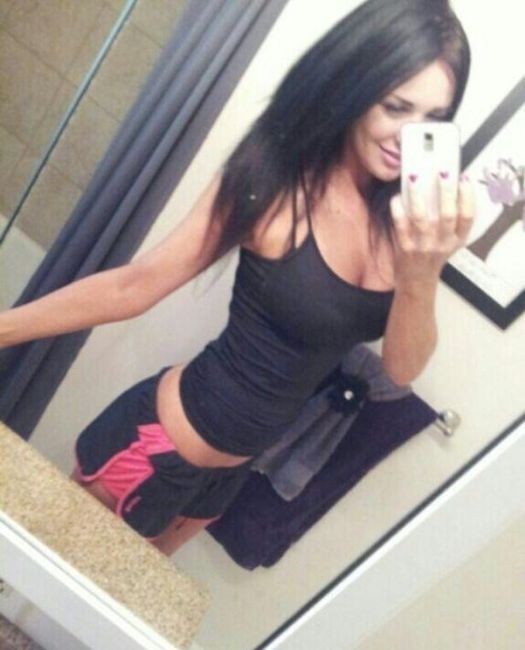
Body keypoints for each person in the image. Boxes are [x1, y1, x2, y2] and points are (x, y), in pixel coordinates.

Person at [0, 0, 474, 555]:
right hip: (157, 446)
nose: (408, 135)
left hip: (223, 483)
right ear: (354, 82)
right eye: (396, 106)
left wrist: (422, 273)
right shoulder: (277, 178)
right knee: (29, 589)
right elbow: (136, 285)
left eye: (434, 120)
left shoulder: (410, 225)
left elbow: (400, 369)